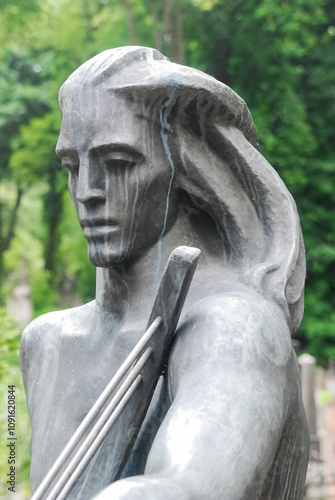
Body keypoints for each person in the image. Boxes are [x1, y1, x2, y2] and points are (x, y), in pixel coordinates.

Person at [21, 46, 309, 500]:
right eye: (73, 167)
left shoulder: (233, 327)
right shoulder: (47, 343)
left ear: (190, 170)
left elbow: (191, 483)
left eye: (118, 163)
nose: (88, 192)